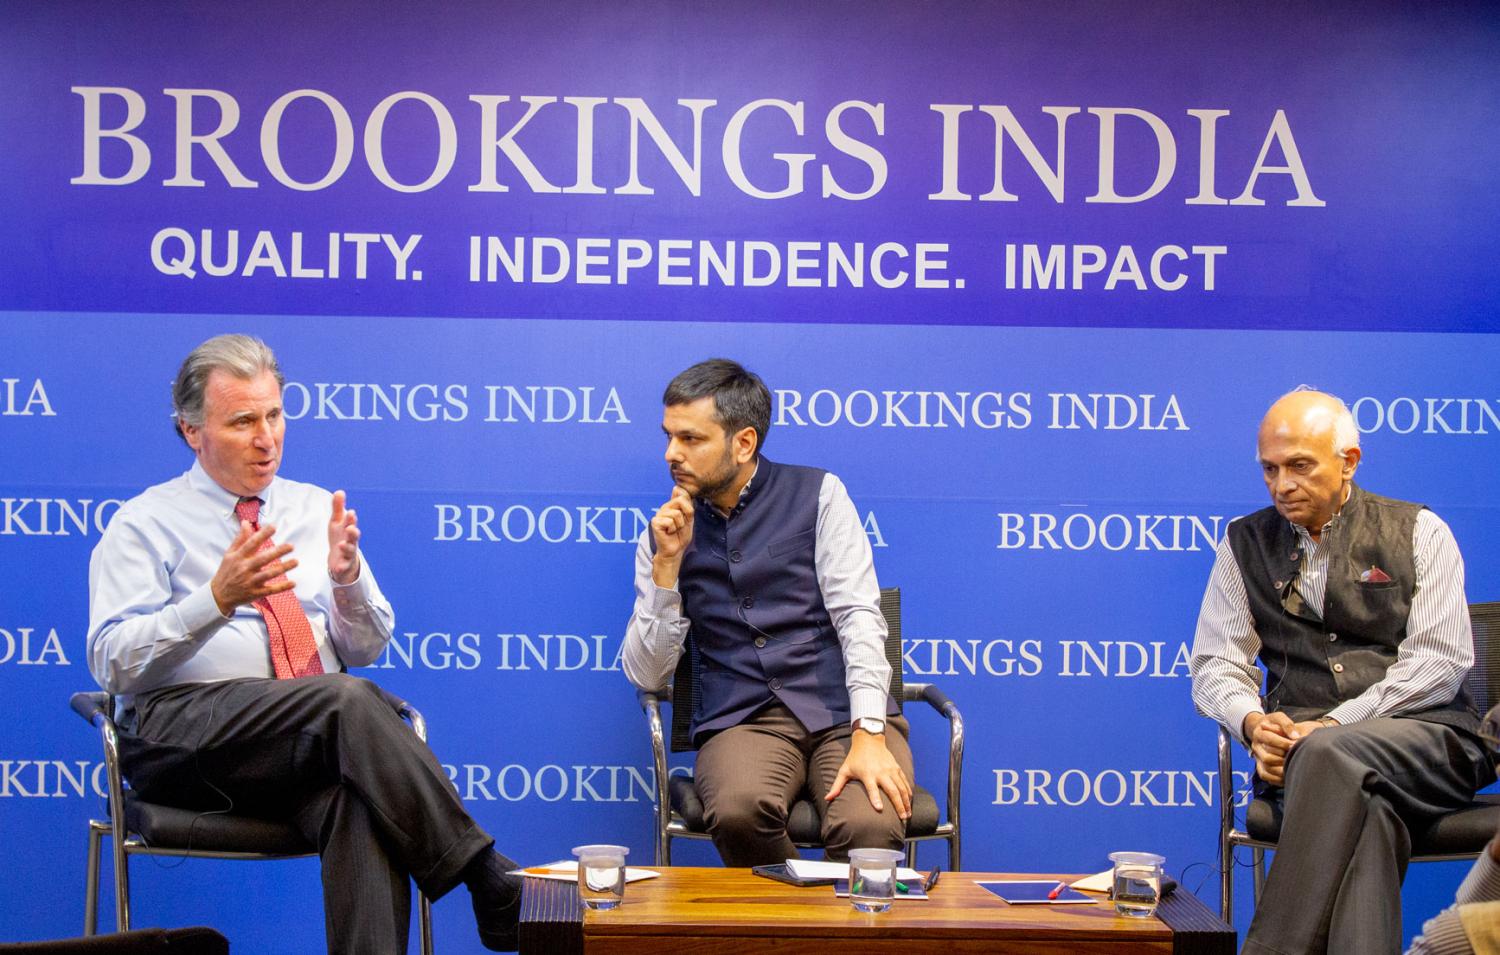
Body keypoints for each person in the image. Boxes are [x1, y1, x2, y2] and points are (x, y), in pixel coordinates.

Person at [86, 334, 520, 955]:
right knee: (346, 702)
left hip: (302, 741)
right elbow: (111, 661)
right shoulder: (145, 522)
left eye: (275, 414)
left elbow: (366, 647)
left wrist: (346, 583)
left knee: (363, 798)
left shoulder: (315, 508)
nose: (267, 437)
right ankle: (489, 880)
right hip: (184, 737)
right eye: (242, 421)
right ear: (191, 431)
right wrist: (216, 598)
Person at [1190, 387, 1493, 955]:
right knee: (1368, 817)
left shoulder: (1419, 531)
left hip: (1430, 744)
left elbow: (1440, 661)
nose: (1282, 485)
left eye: (1299, 466)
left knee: (1330, 757)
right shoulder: (1244, 543)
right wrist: (1255, 725)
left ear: (1348, 461)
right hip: (1303, 762)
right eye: (1270, 470)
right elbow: (1215, 663)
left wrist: (1331, 727)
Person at [622, 358, 913, 866]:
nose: (671, 454)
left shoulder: (820, 495)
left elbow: (860, 617)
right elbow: (647, 674)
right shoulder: (663, 535)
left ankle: (835, 938)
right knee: (737, 810)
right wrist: (666, 571)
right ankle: (785, 934)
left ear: (744, 442)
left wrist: (870, 732)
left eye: (690, 439)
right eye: (668, 437)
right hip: (742, 720)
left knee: (870, 820)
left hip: (842, 712)